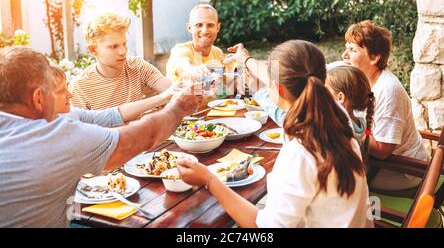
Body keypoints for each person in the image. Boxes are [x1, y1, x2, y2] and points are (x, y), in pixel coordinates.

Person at [178, 40, 372, 228]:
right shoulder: (337, 116)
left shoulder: (301, 151)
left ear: (277, 87)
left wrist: (209, 180)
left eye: (269, 82)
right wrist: (247, 60)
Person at [0, 46, 201, 227]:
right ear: (38, 98)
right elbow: (141, 137)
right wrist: (177, 108)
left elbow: (110, 116)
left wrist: (164, 98)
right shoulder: (53, 134)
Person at [341, 20, 428, 190]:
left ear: (374, 58)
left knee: (334, 182)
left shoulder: (389, 91)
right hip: (378, 162)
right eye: (346, 48)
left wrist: (346, 123)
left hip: (401, 170)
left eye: (352, 50)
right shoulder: (364, 80)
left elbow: (382, 151)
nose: (344, 55)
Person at [69, 12, 172, 110]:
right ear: (93, 50)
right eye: (113, 46)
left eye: (124, 44)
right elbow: (79, 127)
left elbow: (172, 90)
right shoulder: (79, 88)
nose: (122, 51)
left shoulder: (137, 66)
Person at [50, 65, 175, 126]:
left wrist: (163, 97)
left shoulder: (72, 114)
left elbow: (113, 115)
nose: (69, 94)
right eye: (61, 91)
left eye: (124, 43)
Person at [325, 65, 375, 161]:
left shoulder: (339, 126)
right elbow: (368, 133)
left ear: (340, 98)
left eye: (326, 90)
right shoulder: (362, 123)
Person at [165, 4, 224, 82]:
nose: (205, 31)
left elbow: (223, 86)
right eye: (199, 25)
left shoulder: (218, 53)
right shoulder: (179, 50)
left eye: (210, 25)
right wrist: (194, 70)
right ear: (189, 27)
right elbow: (184, 66)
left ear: (218, 27)